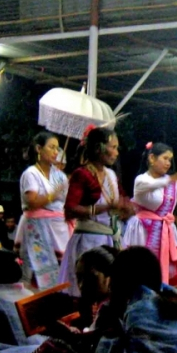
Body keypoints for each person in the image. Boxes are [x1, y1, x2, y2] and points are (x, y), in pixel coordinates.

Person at [122, 142, 177, 286]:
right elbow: (155, 185)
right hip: (143, 231)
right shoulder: (141, 180)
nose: (168, 163)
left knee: (164, 276)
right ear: (152, 158)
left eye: (170, 160)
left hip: (165, 230)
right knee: (142, 271)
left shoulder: (171, 182)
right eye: (165, 158)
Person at [59, 127, 132, 297]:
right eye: (113, 147)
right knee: (88, 289)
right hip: (89, 241)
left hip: (110, 239)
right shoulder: (82, 174)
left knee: (108, 289)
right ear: (99, 148)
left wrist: (126, 208)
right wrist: (102, 208)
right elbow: (70, 209)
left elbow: (121, 202)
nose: (116, 152)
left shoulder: (111, 175)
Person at [13, 132, 71, 290]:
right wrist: (53, 194)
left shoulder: (60, 176)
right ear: (39, 148)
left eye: (57, 149)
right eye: (51, 147)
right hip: (37, 227)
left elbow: (66, 201)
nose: (55, 152)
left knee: (61, 270)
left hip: (59, 228)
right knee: (33, 273)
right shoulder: (30, 173)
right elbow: (32, 202)